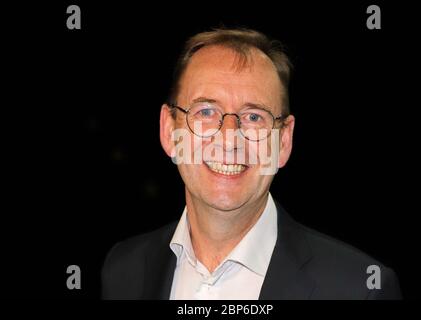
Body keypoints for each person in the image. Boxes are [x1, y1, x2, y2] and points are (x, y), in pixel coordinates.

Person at [101, 28, 402, 300]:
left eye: (254, 117)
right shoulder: (122, 270)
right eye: (206, 112)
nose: (229, 139)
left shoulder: (359, 290)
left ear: (284, 142)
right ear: (169, 131)